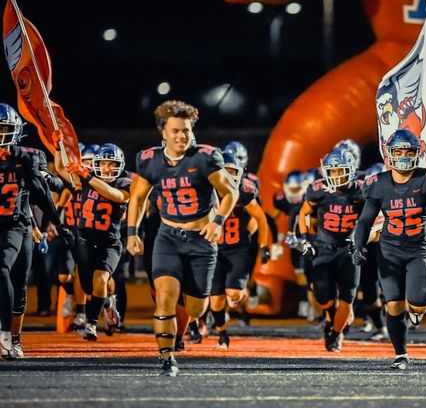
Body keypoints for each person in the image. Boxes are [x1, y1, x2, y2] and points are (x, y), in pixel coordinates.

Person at [125, 100, 238, 376]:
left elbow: (231, 192)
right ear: (163, 132)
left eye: (186, 130)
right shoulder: (150, 160)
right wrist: (132, 232)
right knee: (164, 297)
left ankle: (187, 326)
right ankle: (167, 358)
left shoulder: (204, 157)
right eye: (175, 130)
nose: (181, 136)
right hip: (168, 237)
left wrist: (218, 222)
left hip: (201, 238)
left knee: (196, 308)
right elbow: (138, 199)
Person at [352, 129, 426, 370]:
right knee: (394, 305)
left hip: (419, 250)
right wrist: (359, 246)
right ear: (390, 154)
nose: (404, 156)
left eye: (408, 151)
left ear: (417, 154)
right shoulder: (378, 184)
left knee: (419, 302)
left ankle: (416, 313)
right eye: (399, 151)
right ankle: (400, 354)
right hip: (389, 252)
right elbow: (364, 220)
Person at [0, 104, 73, 359]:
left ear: (16, 132)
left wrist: (58, 223)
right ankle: (5, 334)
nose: (0, 135)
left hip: (16, 225)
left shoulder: (27, 157)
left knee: (19, 284)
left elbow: (46, 192)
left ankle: (14, 338)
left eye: (4, 129)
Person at [54, 143, 130, 341]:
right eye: (103, 164)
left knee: (102, 279)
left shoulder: (124, 183)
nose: (107, 168)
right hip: (85, 241)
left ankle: (92, 324)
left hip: (109, 243)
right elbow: (61, 169)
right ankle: (107, 304)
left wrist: (87, 175)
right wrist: (57, 147)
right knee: (89, 289)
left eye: (111, 164)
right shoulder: (85, 180)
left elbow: (113, 194)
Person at [298, 149, 364, 351]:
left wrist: (362, 236)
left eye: (340, 171)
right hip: (324, 247)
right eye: (332, 172)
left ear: (351, 170)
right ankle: (330, 318)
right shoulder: (317, 189)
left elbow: (373, 216)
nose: (336, 176)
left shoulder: (362, 190)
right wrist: (305, 238)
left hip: (349, 248)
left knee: (347, 297)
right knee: (322, 294)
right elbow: (304, 214)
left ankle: (336, 334)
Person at [209, 150, 269, 349]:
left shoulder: (245, 191)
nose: (227, 176)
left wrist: (263, 245)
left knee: (233, 293)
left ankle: (239, 295)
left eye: (232, 171)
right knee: (215, 302)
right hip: (214, 249)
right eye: (223, 172)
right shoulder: (206, 190)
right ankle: (222, 334)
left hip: (238, 248)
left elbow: (260, 218)